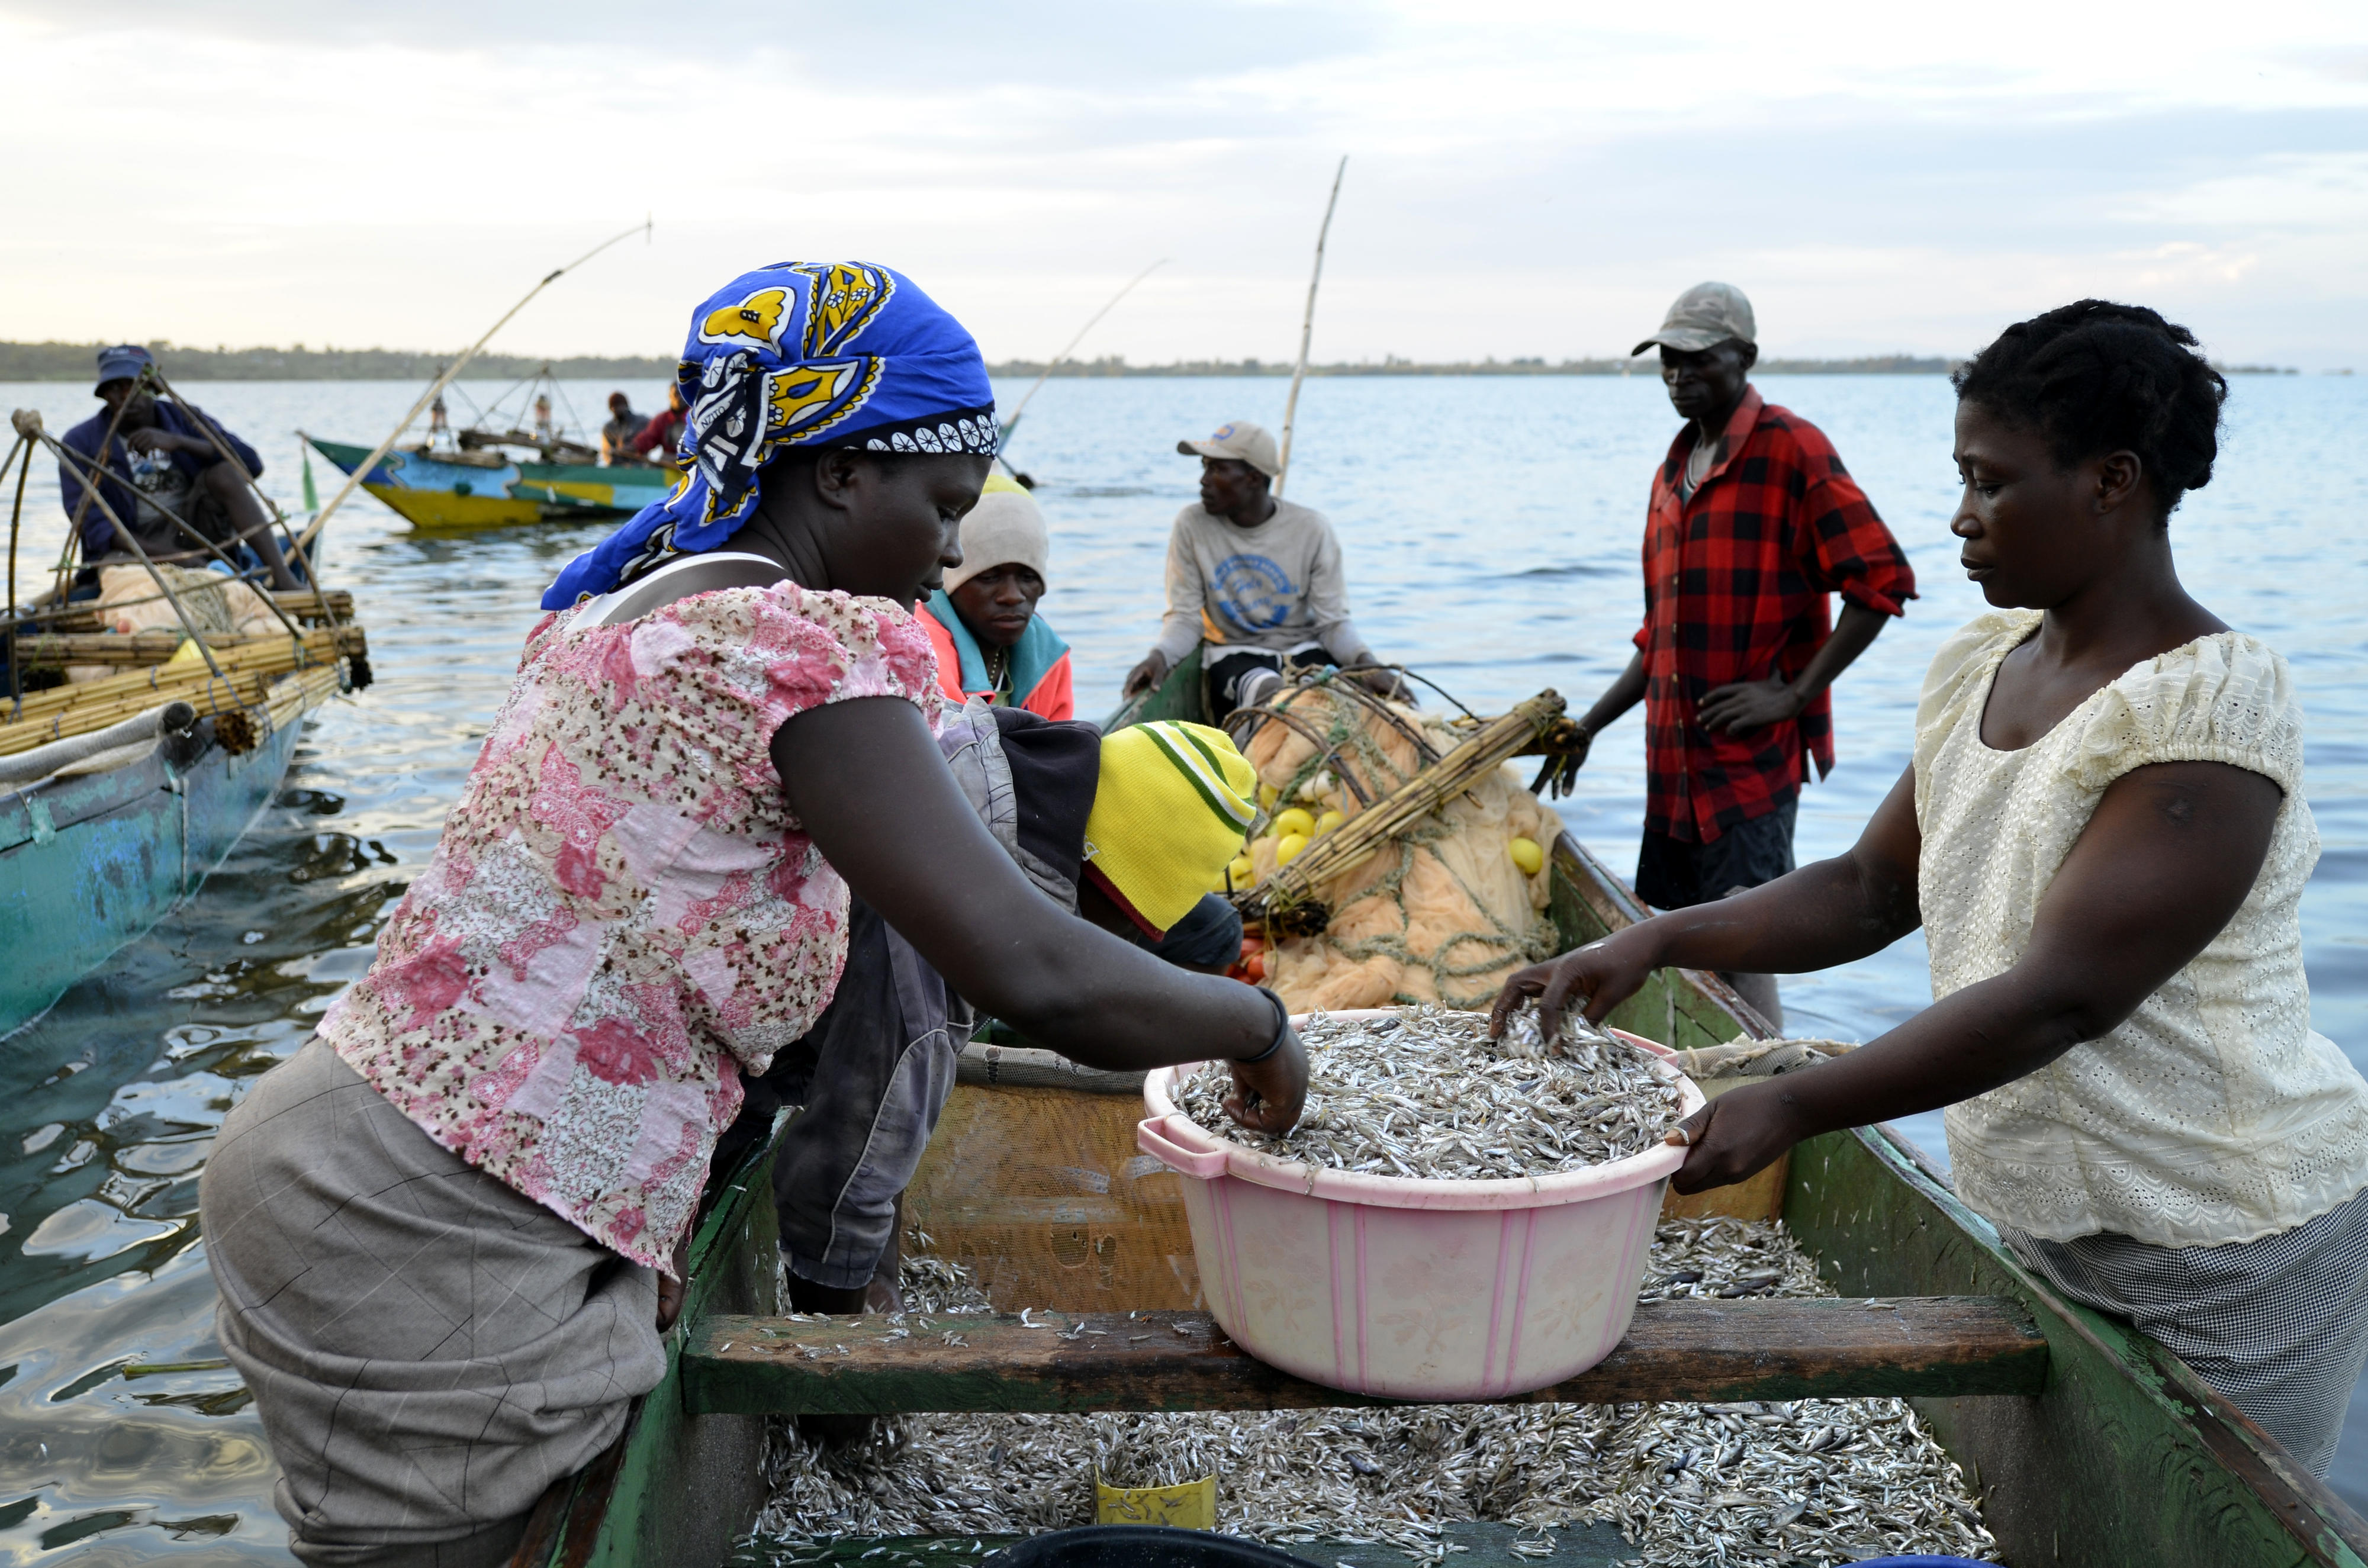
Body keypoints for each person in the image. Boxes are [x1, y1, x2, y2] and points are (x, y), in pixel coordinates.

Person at [198, 261, 1307, 1568]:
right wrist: (1257, 1023)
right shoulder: (807, 651)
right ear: (839, 475)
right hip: (431, 1217)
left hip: (357, 1147)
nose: (954, 552)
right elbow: (1029, 965)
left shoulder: (636, 604)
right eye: (943, 506)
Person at [1495, 300, 2368, 1476]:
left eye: (1989, 482)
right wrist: (1654, 942)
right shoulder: (1983, 663)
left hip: (2225, 1243)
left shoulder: (2206, 705)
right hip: (2044, 1217)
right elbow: (1866, 888)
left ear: (2109, 483)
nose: (1958, 519)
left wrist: (1799, 1103)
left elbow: (2061, 996)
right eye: (1958, 477)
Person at [725, 710, 1254, 1431]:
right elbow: (841, 1172)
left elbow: (880, 1126)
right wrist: (847, 1385)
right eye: (1108, 926)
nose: (1099, 947)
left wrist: (885, 1283)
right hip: (693, 1063)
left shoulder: (972, 764)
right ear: (1093, 871)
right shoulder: (939, 951)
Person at [1543, 283, 1914, 1028]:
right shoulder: (1673, 470)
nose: (1679, 377)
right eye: (1668, 363)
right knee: (1677, 931)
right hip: (1672, 765)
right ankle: (1692, 1081)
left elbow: (1881, 581)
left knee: (1747, 935)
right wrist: (1586, 726)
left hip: (1745, 765)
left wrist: (1792, 694)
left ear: (1743, 357)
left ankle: (1759, 1077)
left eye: (1697, 361)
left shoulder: (1790, 449)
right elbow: (1661, 641)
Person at [1122, 418, 1399, 720]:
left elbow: (1332, 623)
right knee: (1267, 690)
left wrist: (1367, 663)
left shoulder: (1311, 529)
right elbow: (1186, 618)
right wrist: (1158, 656)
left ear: (1253, 478)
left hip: (1306, 652)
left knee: (1322, 703)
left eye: (1217, 470)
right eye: (1204, 467)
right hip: (1233, 655)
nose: (1203, 480)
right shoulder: (1192, 526)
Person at [59, 345, 301, 590]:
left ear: (153, 388)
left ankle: (284, 579)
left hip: (195, 533)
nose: (126, 396)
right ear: (104, 394)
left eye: (135, 386)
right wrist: (179, 558)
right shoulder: (81, 443)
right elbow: (98, 529)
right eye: (115, 388)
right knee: (116, 571)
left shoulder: (183, 418)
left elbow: (251, 464)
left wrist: (182, 443)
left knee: (224, 472)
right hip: (138, 548)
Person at [916, 472, 1074, 718]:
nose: (1012, 597)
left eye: (1029, 577)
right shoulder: (924, 651)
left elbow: (1060, 747)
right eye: (989, 577)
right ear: (952, 579)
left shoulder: (1047, 654)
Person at [623, 384, 688, 466]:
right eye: (676, 394)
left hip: (692, 462)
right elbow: (649, 438)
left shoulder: (696, 417)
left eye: (682, 394)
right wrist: (633, 447)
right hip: (668, 463)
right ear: (670, 396)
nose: (679, 398)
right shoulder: (662, 419)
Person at [599, 389, 646, 463]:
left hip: (639, 464)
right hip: (618, 465)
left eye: (618, 406)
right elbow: (607, 453)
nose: (615, 409)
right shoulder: (609, 428)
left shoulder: (642, 422)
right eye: (613, 407)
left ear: (626, 405)